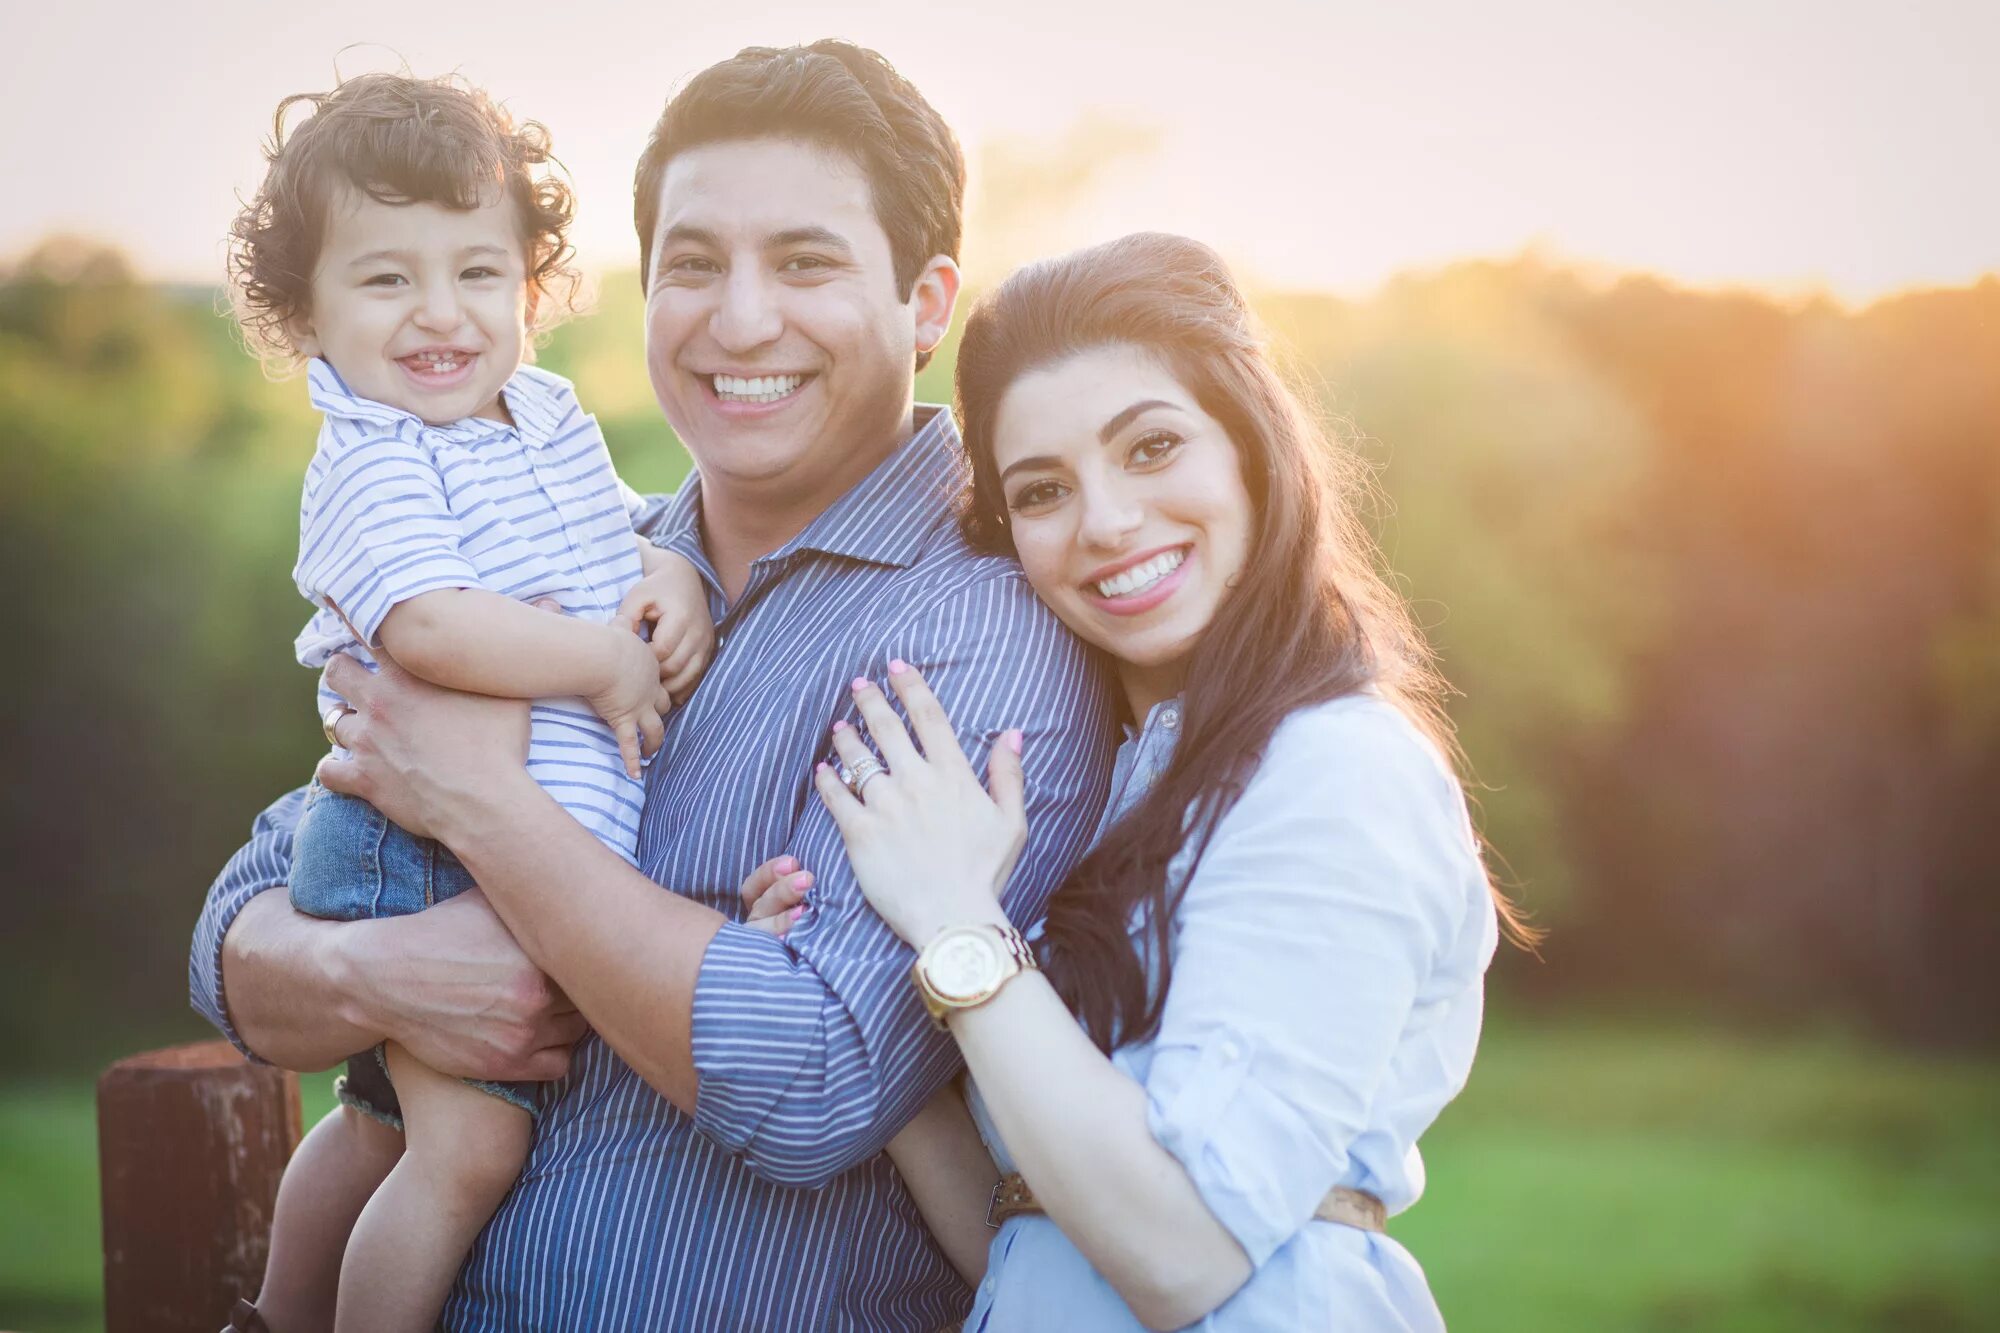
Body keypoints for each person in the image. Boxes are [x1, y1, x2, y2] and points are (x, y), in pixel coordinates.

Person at [191, 41, 1115, 1331]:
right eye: (692, 263)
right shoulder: (582, 556)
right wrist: (375, 977)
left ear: (924, 301)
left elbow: (814, 1082)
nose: (739, 320)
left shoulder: (972, 632)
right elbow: (245, 916)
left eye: (804, 262)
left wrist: (484, 813)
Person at [757, 232, 1534, 1330]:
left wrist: (952, 920)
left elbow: (1180, 1253)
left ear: (1253, 449)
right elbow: (1030, 1241)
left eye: (1152, 446)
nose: (1107, 523)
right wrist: (849, 975)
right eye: (1041, 490)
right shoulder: (1122, 778)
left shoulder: (1333, 768)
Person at [217, 71, 716, 1333]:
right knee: (465, 1154)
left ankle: (275, 1315)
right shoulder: (373, 457)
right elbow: (426, 624)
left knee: (382, 1120)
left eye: (477, 274)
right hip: (416, 850)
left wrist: (662, 568)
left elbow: (612, 537)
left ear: (530, 285)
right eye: (386, 280)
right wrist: (599, 662)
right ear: (304, 314)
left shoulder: (536, 415)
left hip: (477, 836)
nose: (439, 314)